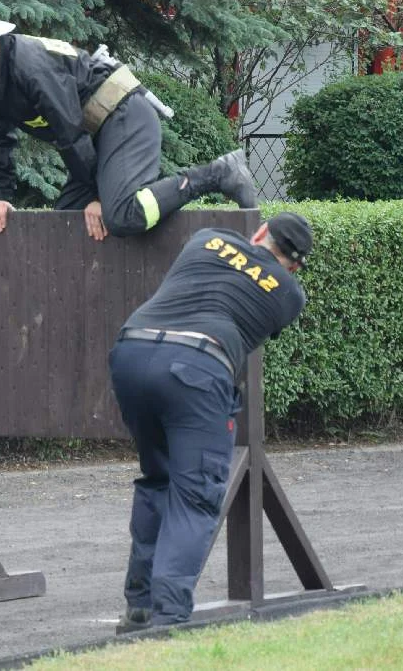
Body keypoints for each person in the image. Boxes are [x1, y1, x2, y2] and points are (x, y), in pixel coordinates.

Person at [107, 211, 313, 631]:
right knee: (196, 493)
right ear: (294, 264)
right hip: (197, 367)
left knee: (157, 478)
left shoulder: (207, 238)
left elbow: (233, 259)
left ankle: (139, 606)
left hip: (132, 351)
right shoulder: (290, 293)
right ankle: (169, 617)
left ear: (258, 232)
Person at [0, 0, 258, 242]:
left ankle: (218, 173)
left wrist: (97, 197)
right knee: (63, 225)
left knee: (120, 215)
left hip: (125, 117)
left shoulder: (30, 67)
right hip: (96, 135)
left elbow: (70, 133)